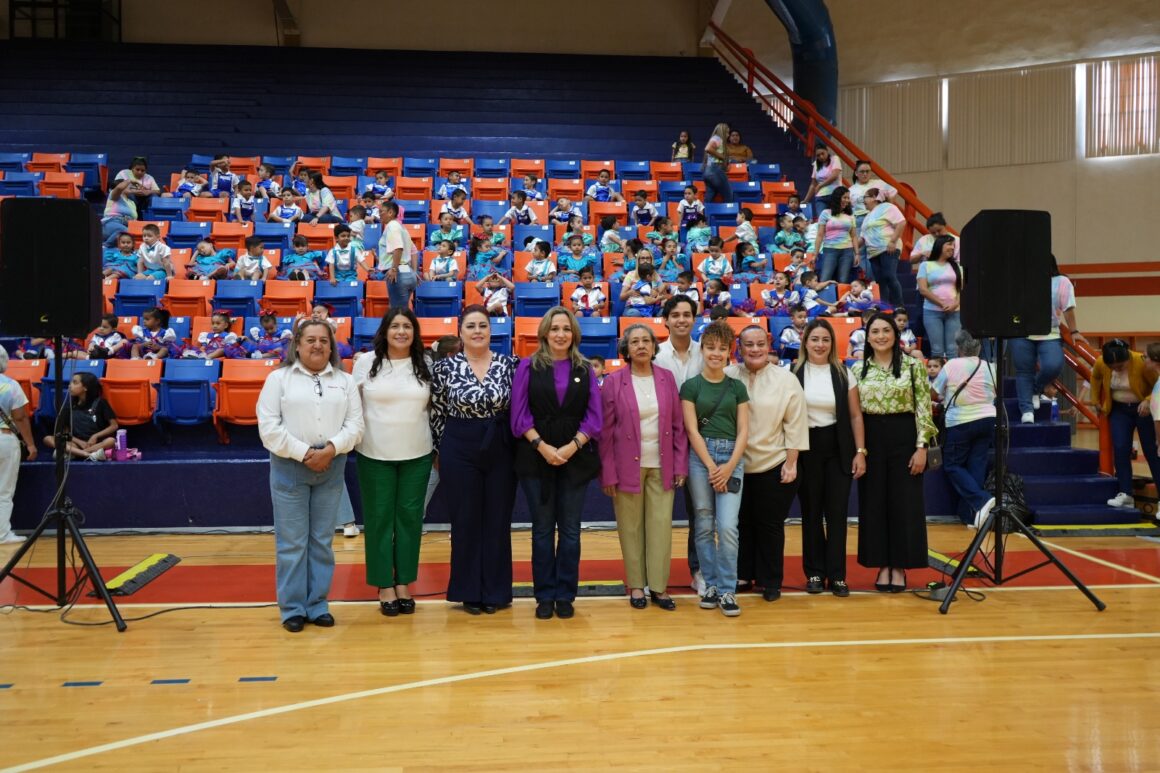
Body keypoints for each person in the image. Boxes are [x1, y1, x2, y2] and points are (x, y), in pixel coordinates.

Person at [257, 320, 364, 632]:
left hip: (332, 465)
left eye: (323, 340)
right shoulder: (279, 380)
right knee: (292, 543)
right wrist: (306, 453)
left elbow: (355, 425)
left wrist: (330, 450)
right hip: (290, 466)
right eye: (310, 340)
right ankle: (292, 608)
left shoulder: (344, 382)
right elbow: (269, 428)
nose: (317, 345)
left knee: (321, 541)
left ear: (331, 347)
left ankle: (317, 605)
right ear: (298, 346)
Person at [511, 307, 603, 620]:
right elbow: (519, 416)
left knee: (571, 532)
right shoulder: (527, 366)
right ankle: (544, 596)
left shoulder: (585, 367)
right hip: (536, 457)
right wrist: (543, 446)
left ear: (573, 333)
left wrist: (570, 446)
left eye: (566, 328)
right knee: (541, 531)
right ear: (545, 334)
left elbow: (595, 417)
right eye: (555, 329)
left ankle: (565, 594)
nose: (561, 334)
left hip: (575, 458)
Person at [430, 306, 520, 615]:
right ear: (461, 331)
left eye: (483, 325)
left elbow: (518, 408)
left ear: (491, 330)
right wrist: (443, 449)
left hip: (500, 443)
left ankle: (495, 591)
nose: (478, 330)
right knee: (465, 519)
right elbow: (437, 411)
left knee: (497, 519)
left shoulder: (511, 364)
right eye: (471, 326)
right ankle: (468, 591)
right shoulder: (444, 368)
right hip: (459, 443)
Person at [600, 324, 687, 611]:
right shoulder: (613, 382)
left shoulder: (666, 378)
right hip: (626, 466)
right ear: (626, 349)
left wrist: (679, 466)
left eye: (646, 341)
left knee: (661, 528)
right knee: (631, 528)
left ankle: (659, 588)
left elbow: (677, 426)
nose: (640, 346)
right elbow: (606, 432)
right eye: (634, 341)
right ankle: (636, 586)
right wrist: (609, 472)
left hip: (662, 465)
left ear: (653, 346)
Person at [353, 308, 434, 618]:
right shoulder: (364, 363)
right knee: (378, 521)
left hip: (418, 453)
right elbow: (352, 406)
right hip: (374, 454)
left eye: (407, 326)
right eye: (395, 326)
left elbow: (434, 407)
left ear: (414, 332)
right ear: (385, 331)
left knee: (410, 521)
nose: (401, 331)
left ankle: (403, 583)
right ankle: (383, 584)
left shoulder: (425, 363)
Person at [855, 312, 938, 592]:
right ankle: (881, 565)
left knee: (905, 504)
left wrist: (921, 447)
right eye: (875, 331)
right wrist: (860, 450)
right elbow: (854, 414)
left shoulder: (914, 366)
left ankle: (900, 566)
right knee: (874, 503)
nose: (880, 336)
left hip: (905, 437)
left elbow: (924, 408)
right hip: (871, 438)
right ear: (867, 337)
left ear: (895, 334)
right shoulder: (857, 370)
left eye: (885, 331)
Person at [729, 326, 808, 601]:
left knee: (769, 524)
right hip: (736, 464)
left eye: (760, 344)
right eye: (748, 344)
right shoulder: (728, 376)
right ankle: (742, 573)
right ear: (739, 347)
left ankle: (770, 579)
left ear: (769, 344)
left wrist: (792, 462)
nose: (754, 349)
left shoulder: (786, 380)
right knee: (741, 522)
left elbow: (795, 424)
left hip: (774, 463)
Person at [793, 319, 867, 596]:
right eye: (815, 339)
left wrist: (860, 452)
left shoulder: (844, 373)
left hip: (838, 448)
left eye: (825, 339)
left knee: (836, 514)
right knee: (811, 513)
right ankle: (814, 572)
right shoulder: (793, 372)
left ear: (832, 343)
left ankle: (837, 575)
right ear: (806, 343)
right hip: (806, 448)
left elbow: (856, 415)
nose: (820, 344)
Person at [681, 321, 749, 617]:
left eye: (722, 349)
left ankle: (728, 589)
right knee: (704, 523)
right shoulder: (690, 386)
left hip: (732, 456)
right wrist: (711, 467)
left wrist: (729, 466)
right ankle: (709, 584)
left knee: (727, 526)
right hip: (700, 458)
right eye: (711, 348)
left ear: (729, 352)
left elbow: (744, 431)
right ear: (703, 349)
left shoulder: (737, 386)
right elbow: (692, 431)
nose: (716, 353)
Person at [654, 295, 705, 593]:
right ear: (667, 320)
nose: (682, 320)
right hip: (663, 443)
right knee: (658, 512)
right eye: (676, 315)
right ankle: (652, 572)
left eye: (687, 314)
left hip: (700, 441)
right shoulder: (656, 354)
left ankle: (698, 569)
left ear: (694, 319)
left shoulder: (706, 352)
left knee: (699, 511)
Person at [933, 329, 997, 527]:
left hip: (961, 420)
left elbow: (934, 393)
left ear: (958, 348)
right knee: (976, 466)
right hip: (987, 418)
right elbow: (995, 391)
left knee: (952, 465)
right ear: (979, 348)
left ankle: (982, 500)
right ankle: (971, 516)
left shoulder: (952, 365)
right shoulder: (990, 366)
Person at [1009, 256, 1084, 424]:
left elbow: (1068, 307)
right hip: (1021, 332)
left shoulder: (1061, 281)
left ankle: (1035, 389)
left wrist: (1074, 331)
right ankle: (1026, 409)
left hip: (1050, 332)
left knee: (1053, 365)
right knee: (1024, 371)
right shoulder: (1020, 280)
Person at [1089, 340, 1160, 509]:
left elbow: (1158, 385)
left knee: (1152, 451)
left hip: (1144, 410)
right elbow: (1095, 376)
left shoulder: (1142, 362)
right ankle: (1126, 493)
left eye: (1120, 366)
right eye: (1112, 367)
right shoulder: (1101, 363)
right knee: (1121, 449)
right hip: (1119, 411)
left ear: (1128, 358)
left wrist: (1147, 401)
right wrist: (1094, 400)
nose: (1116, 369)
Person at [0, 347, 37, 544]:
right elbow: (20, 417)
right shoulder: (11, 385)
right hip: (5, 440)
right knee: (4, 490)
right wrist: (30, 444)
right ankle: (2, 534)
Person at [41, 372, 118, 461]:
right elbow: (65, 433)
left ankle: (76, 454)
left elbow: (114, 425)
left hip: (96, 444)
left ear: (85, 387)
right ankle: (86, 454)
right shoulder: (68, 407)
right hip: (76, 444)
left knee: (111, 441)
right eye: (71, 382)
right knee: (48, 439)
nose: (70, 386)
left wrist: (95, 436)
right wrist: (79, 442)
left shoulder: (100, 403)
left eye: (75, 383)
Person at [857, 188, 906, 308]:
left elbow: (901, 222)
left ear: (874, 197)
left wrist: (893, 241)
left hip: (888, 248)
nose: (864, 201)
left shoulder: (887, 207)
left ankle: (899, 306)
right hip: (873, 252)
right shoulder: (867, 216)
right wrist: (850, 246)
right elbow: (862, 238)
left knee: (889, 276)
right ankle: (885, 308)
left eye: (865, 197)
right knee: (880, 282)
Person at [917, 234, 962, 359]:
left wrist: (955, 304)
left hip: (954, 312)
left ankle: (953, 377)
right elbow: (923, 290)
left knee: (952, 349)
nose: (952, 248)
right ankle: (938, 377)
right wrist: (942, 304)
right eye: (949, 244)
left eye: (953, 245)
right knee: (937, 350)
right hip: (932, 312)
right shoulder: (925, 266)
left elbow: (962, 290)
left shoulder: (957, 266)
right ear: (939, 245)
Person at [813, 187, 859, 284]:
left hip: (847, 251)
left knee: (843, 280)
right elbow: (820, 235)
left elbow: (854, 236)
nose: (847, 200)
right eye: (844, 197)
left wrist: (857, 253)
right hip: (830, 250)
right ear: (837, 198)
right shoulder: (825, 213)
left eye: (848, 198)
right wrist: (815, 254)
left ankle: (841, 299)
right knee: (825, 279)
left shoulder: (850, 215)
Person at [378, 201, 418, 311]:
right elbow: (414, 251)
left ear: (390, 212)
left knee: (398, 313)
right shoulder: (402, 228)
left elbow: (398, 248)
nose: (379, 214)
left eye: (381, 212)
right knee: (397, 309)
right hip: (408, 274)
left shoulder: (392, 226)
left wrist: (394, 268)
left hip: (398, 276)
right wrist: (414, 272)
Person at [802, 144, 842, 212]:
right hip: (820, 196)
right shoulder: (815, 164)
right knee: (821, 220)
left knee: (835, 220)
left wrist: (820, 185)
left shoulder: (835, 159)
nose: (821, 157)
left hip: (835, 195)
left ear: (827, 151)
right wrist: (806, 200)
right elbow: (813, 184)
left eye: (823, 153)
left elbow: (834, 176)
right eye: (818, 155)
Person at [702, 122, 733, 204]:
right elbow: (708, 148)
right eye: (727, 132)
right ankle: (729, 215)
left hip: (708, 171)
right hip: (715, 170)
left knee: (709, 197)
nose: (728, 135)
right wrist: (723, 158)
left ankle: (705, 215)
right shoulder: (718, 138)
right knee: (728, 195)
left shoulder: (715, 139)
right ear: (722, 131)